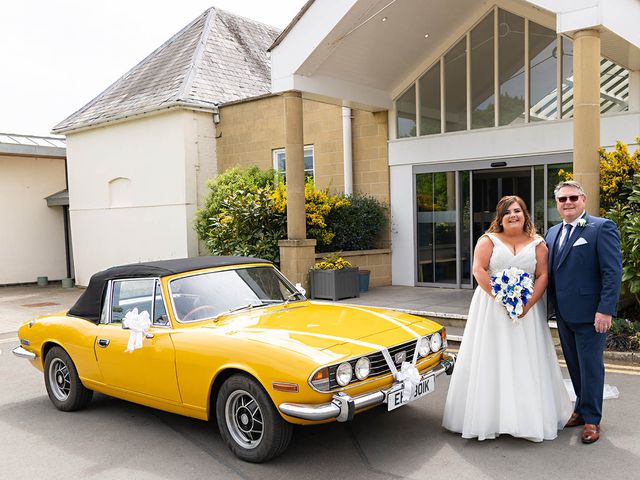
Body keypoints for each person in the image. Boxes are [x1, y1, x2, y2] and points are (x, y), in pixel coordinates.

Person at [443, 195, 572, 441]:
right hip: (491, 308)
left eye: (517, 211)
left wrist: (526, 304)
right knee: (491, 357)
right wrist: (501, 298)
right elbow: (479, 270)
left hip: (527, 311)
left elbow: (543, 275)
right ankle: (488, 418)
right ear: (500, 218)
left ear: (525, 215)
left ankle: (525, 418)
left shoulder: (538, 244)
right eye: (507, 212)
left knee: (525, 359)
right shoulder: (488, 240)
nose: (513, 215)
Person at [545, 180, 622, 444]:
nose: (568, 203)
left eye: (573, 198)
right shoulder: (552, 233)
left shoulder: (601, 228)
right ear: (556, 204)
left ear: (583, 200)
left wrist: (605, 310)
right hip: (563, 314)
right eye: (562, 199)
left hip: (592, 314)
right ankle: (579, 409)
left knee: (590, 367)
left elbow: (612, 273)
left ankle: (592, 420)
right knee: (575, 366)